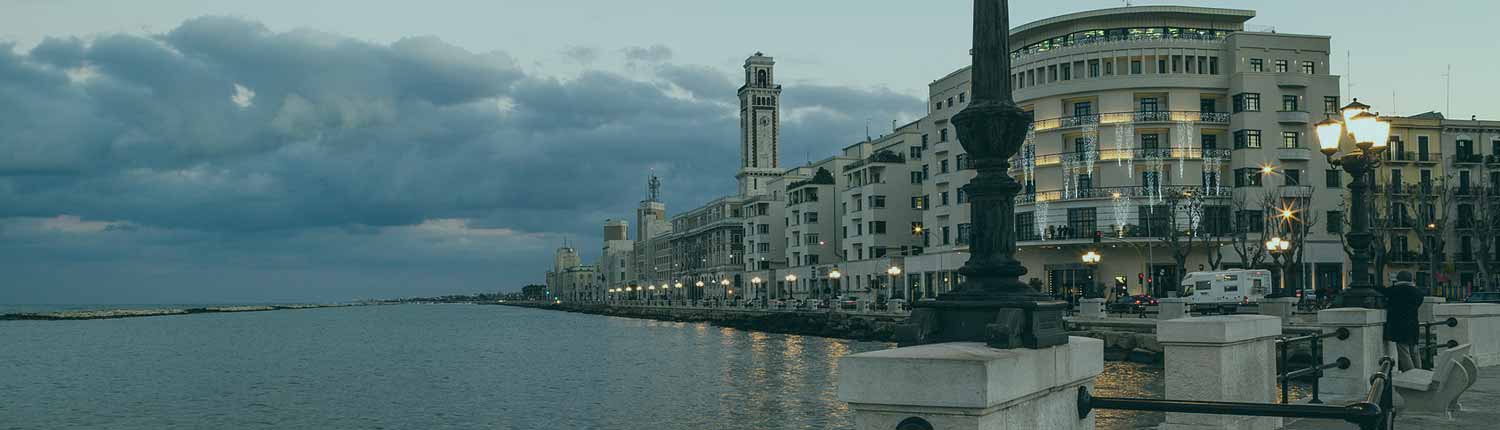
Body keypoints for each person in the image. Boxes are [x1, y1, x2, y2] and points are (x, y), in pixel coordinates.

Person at [1383, 271, 1425, 371]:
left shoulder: (1394, 290)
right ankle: (1420, 372)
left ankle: (1410, 374)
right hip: (1413, 324)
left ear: (1398, 279)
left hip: (1399, 324)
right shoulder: (1418, 292)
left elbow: (1383, 293)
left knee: (1403, 351)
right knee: (1414, 350)